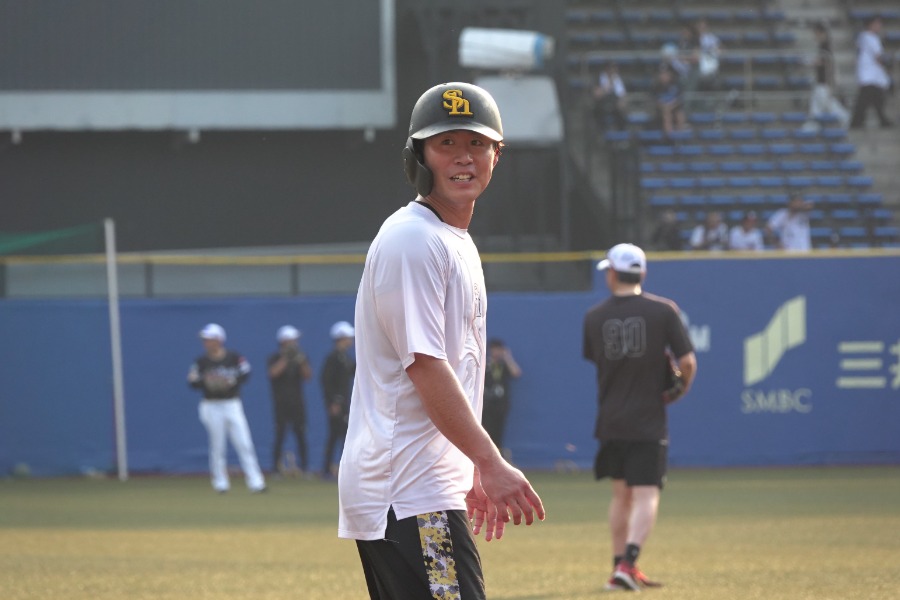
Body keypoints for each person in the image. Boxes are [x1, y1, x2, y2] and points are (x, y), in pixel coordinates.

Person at [338, 81, 545, 600]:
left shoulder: (451, 238)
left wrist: (468, 466)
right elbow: (425, 366)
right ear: (418, 156)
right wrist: (490, 461)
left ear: (497, 154)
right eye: (446, 142)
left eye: (477, 143)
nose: (463, 156)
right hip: (410, 489)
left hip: (420, 486)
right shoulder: (414, 239)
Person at [582, 243, 697, 591]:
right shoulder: (663, 311)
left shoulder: (594, 316)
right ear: (642, 273)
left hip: (611, 419)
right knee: (647, 494)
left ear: (612, 274)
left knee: (621, 496)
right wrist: (678, 390)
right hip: (648, 420)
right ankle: (628, 565)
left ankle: (619, 568)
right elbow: (687, 362)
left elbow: (596, 359)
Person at [187, 323, 267, 493]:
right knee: (217, 445)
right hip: (211, 404)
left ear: (219, 340)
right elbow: (192, 381)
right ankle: (220, 483)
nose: (206, 342)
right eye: (205, 340)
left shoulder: (234, 357)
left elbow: (246, 373)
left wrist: (231, 381)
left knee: (244, 443)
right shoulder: (201, 361)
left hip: (231, 403)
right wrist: (207, 382)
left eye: (209, 339)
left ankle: (256, 482)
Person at [267, 325, 313, 476]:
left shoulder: (300, 357)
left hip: (297, 402)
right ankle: (275, 469)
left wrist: (300, 360)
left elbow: (308, 376)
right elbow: (273, 373)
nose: (295, 343)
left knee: (301, 434)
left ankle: (305, 468)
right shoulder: (275, 358)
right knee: (280, 434)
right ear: (284, 342)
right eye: (293, 340)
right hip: (281, 403)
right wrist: (286, 358)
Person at [320, 320, 356, 479]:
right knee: (335, 436)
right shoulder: (333, 358)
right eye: (348, 337)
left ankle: (342, 468)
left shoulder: (345, 357)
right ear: (341, 338)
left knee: (342, 436)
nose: (351, 340)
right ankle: (328, 469)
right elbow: (326, 381)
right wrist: (332, 402)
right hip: (337, 404)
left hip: (345, 402)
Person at [850, 15, 894, 129]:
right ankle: (857, 122)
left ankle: (879, 120)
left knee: (875, 99)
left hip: (870, 74)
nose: (879, 26)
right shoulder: (870, 38)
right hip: (869, 74)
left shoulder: (863, 37)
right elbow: (878, 57)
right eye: (877, 24)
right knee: (865, 100)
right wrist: (888, 63)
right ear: (870, 25)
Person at [482, 338, 522, 455]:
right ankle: (486, 453)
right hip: (487, 404)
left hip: (501, 404)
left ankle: (497, 454)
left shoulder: (503, 366)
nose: (496, 352)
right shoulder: (485, 365)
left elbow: (516, 373)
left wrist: (508, 357)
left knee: (498, 431)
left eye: (499, 349)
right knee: (486, 430)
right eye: (494, 349)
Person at [808, 22, 850, 128]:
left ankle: (846, 118)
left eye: (816, 33)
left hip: (824, 83)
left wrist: (811, 62)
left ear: (822, 33)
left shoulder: (825, 47)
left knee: (830, 106)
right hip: (820, 83)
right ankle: (810, 128)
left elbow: (824, 62)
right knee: (816, 108)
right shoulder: (823, 46)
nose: (815, 36)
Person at [594, 62, 628, 131]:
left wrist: (622, 101)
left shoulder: (618, 79)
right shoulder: (598, 78)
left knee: (622, 111)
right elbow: (597, 94)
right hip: (602, 103)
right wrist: (610, 82)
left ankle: (621, 132)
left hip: (615, 103)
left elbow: (622, 93)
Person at [654, 65, 687, 136]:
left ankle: (680, 135)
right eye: (662, 74)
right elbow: (655, 100)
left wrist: (671, 106)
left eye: (666, 74)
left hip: (674, 107)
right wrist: (663, 106)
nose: (664, 76)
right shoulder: (656, 86)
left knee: (680, 114)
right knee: (666, 114)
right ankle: (669, 135)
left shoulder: (676, 84)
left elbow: (679, 99)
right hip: (661, 109)